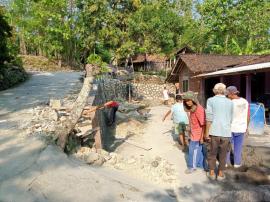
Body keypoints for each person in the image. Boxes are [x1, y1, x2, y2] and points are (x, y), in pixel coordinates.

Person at [205, 83, 233, 180]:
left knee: (212, 153)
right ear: (224, 91)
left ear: (214, 90)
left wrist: (206, 133)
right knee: (223, 154)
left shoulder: (210, 100)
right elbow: (231, 118)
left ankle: (212, 173)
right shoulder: (230, 102)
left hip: (214, 132)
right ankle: (220, 173)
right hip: (226, 132)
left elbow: (209, 118)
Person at [226, 86, 250, 168]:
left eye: (228, 94)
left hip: (230, 128)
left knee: (227, 146)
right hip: (241, 128)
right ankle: (237, 164)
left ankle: (226, 163)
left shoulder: (229, 102)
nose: (227, 95)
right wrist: (246, 127)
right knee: (238, 147)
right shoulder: (245, 101)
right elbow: (248, 115)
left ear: (232, 94)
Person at [182, 91, 205, 174]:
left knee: (192, 151)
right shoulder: (192, 108)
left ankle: (191, 167)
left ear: (193, 100)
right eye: (186, 101)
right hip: (194, 133)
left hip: (197, 135)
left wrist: (202, 137)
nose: (187, 102)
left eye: (189, 100)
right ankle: (200, 165)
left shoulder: (199, 110)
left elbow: (203, 124)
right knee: (198, 150)